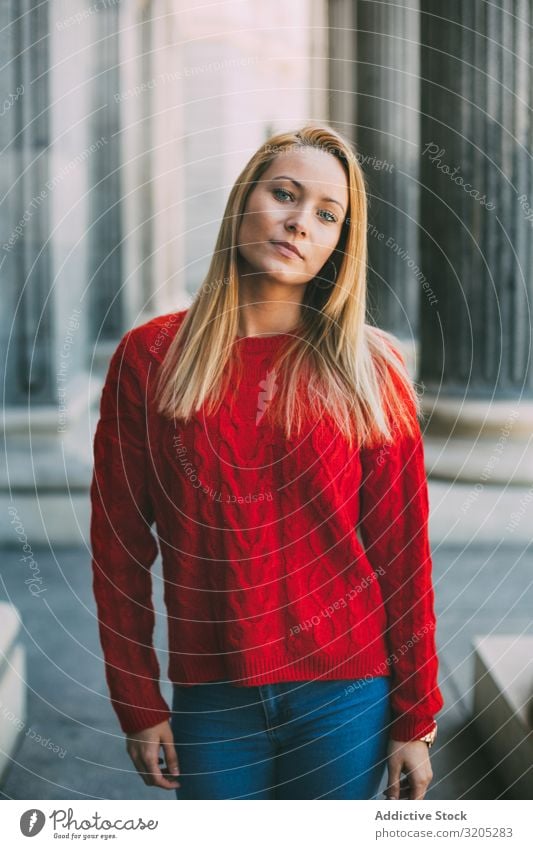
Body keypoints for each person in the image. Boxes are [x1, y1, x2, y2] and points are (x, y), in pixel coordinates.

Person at [90, 123, 444, 801]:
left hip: (347, 694)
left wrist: (415, 715)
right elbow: (119, 547)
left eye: (325, 213)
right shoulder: (150, 358)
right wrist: (136, 699)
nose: (298, 221)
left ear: (340, 241)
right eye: (283, 193)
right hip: (211, 692)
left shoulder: (372, 370)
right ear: (242, 202)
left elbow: (402, 554)